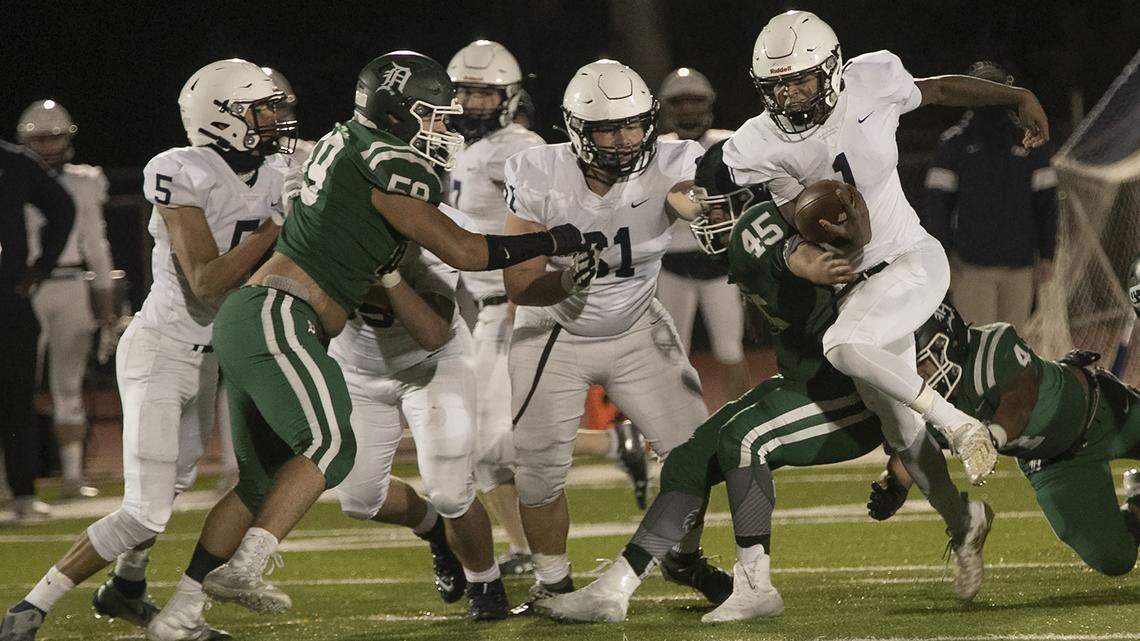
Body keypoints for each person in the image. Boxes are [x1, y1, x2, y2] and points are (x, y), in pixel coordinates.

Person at [144, 50, 583, 640]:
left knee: (261, 482)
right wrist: (555, 237)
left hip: (339, 337)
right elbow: (470, 252)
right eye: (430, 114)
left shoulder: (348, 146)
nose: (443, 126)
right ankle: (245, 567)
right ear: (398, 115)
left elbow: (434, 331)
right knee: (333, 451)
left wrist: (391, 276)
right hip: (298, 322)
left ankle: (183, 608)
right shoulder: (399, 175)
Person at [535, 143, 988, 624]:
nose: (704, 217)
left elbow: (787, 252)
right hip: (802, 381)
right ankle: (614, 589)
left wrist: (811, 262)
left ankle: (756, 585)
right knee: (689, 459)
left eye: (715, 205)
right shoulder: (768, 221)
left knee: (746, 439)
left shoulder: (761, 226)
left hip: (848, 395)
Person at [0, 58, 294, 641]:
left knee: (175, 482)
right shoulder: (180, 169)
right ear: (223, 117)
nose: (273, 120)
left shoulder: (280, 168)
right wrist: (275, 229)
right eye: (259, 109)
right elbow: (207, 279)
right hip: (163, 348)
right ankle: (27, 610)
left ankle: (128, 587)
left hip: (212, 352)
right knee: (145, 509)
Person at [722, 10, 1050, 488]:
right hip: (858, 288)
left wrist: (1017, 96)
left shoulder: (871, 81)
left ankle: (960, 426)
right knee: (899, 425)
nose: (788, 98)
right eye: (777, 88)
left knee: (842, 345)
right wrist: (848, 235)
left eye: (800, 83)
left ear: (832, 70)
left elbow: (938, 89)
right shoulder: (758, 143)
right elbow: (802, 220)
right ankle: (965, 524)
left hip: (912, 260)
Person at [503, 58, 728, 611]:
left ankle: (682, 556)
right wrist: (561, 283)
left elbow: (683, 190)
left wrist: (695, 204)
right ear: (577, 129)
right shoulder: (536, 170)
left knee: (698, 455)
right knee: (537, 472)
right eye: (609, 127)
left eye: (634, 124)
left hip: (637, 328)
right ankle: (552, 582)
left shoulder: (676, 157)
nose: (626, 139)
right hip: (555, 333)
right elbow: (518, 285)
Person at [869, 301, 1140, 578]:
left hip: (1101, 410)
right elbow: (913, 450)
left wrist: (991, 438)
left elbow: (1021, 400)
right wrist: (894, 488)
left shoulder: (992, 344)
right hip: (1053, 463)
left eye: (922, 361)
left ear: (948, 342)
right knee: (1114, 558)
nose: (918, 375)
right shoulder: (927, 397)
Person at [330, 204, 509, 620]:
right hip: (355, 366)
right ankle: (434, 531)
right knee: (358, 500)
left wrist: (382, 275)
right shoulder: (327, 220)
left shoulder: (441, 223)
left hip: (432, 363)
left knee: (450, 491)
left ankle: (486, 581)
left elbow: (431, 331)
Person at [445, 39, 545, 576]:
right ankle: (525, 550)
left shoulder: (516, 146)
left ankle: (539, 553)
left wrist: (518, 293)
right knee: (482, 450)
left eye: (482, 92)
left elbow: (540, 222)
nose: (468, 102)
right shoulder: (463, 148)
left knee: (498, 444)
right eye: (462, 89)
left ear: (508, 97)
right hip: (473, 310)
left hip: (506, 307)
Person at [17, 100, 117, 500]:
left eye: (54, 136)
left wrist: (106, 304)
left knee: (69, 385)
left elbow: (97, 246)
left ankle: (73, 476)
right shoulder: (12, 177)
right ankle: (12, 479)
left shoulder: (84, 181)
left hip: (71, 282)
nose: (47, 146)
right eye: (39, 138)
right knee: (15, 385)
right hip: (24, 287)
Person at [922, 60, 1058, 329]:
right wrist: (941, 259)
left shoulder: (1029, 140)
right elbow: (937, 207)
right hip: (972, 267)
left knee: (1014, 353)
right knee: (976, 350)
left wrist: (1048, 255)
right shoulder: (955, 143)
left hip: (1019, 266)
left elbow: (1047, 202)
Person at [656, 68, 750, 400]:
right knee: (669, 355)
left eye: (694, 101)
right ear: (667, 107)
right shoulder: (654, 150)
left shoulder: (730, 143)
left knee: (729, 350)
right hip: (671, 265)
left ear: (708, 103)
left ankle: (741, 422)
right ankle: (674, 430)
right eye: (679, 102)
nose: (687, 109)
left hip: (718, 266)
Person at [0, 139, 75, 525]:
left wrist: (41, 266)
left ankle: (24, 492)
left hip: (7, 299)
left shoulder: (13, 163)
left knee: (15, 399)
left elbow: (62, 208)